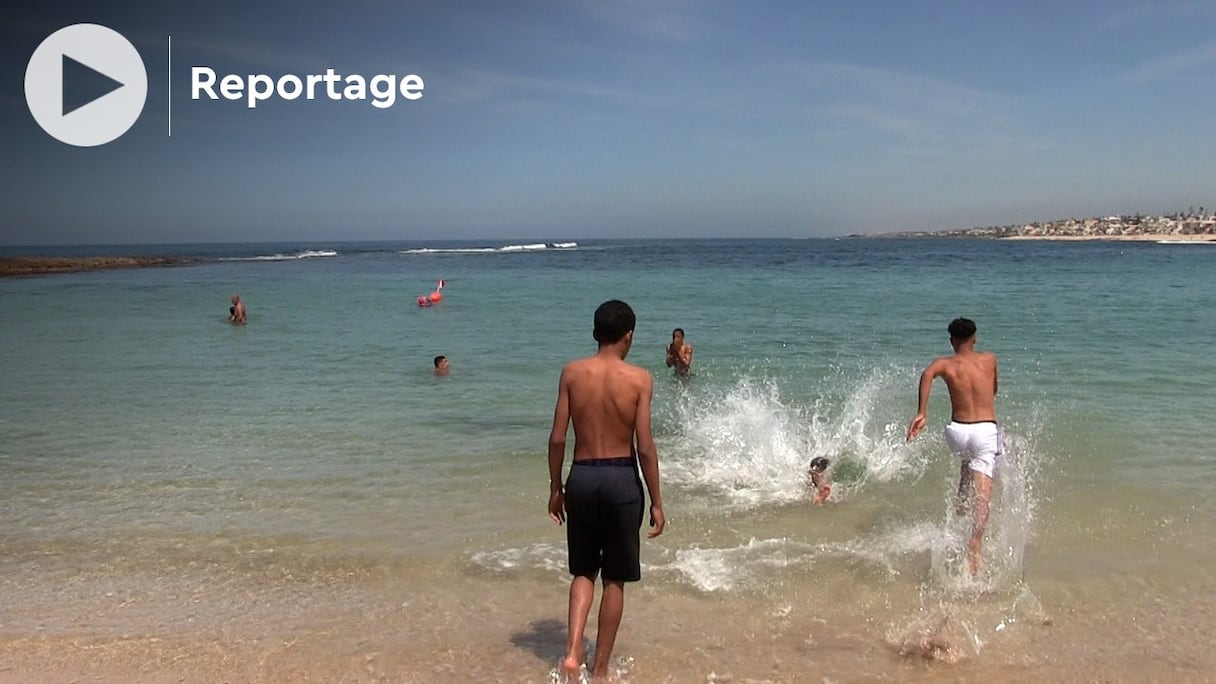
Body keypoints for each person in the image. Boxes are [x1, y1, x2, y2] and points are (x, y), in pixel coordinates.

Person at [548, 300, 665, 681]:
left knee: (583, 571)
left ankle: (571, 652)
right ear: (628, 335)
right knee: (614, 578)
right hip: (620, 480)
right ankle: (600, 670)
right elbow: (645, 446)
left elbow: (556, 439)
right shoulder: (640, 379)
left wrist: (555, 487)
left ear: (595, 332)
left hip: (581, 477)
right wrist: (658, 502)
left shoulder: (571, 373)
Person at [906, 317, 1000, 577]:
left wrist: (921, 413)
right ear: (975, 338)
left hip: (957, 432)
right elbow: (993, 391)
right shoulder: (990, 360)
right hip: (984, 429)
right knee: (983, 496)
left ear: (951, 340)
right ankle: (974, 545)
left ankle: (960, 505)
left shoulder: (943, 364)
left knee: (966, 462)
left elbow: (927, 374)